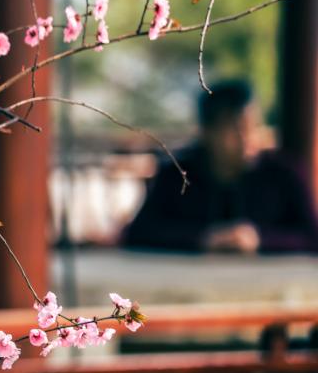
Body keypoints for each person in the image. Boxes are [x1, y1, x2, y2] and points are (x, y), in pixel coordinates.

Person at [123, 80, 318, 253]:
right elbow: (139, 233)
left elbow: (311, 236)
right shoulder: (178, 174)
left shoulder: (283, 174)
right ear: (207, 132)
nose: (247, 138)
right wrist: (203, 238)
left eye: (253, 127)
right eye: (236, 128)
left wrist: (260, 239)